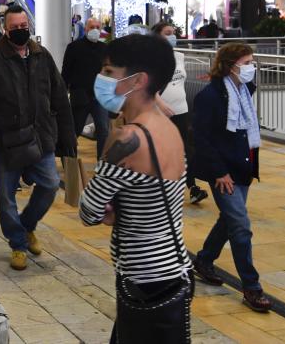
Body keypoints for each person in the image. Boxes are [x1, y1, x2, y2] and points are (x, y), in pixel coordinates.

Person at [79, 34, 193, 343]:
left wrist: (108, 206)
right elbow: (153, 195)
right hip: (175, 267)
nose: (100, 79)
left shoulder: (127, 139)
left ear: (137, 80)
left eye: (108, 71)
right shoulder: (169, 126)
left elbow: (88, 211)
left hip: (144, 279)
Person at [0, 5, 76, 270]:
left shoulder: (42, 56)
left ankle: (27, 225)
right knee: (6, 198)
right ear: (5, 30)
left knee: (51, 184)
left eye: (23, 26)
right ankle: (18, 243)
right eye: (14, 27)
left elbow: (59, 97)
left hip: (40, 136)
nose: (20, 31)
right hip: (4, 141)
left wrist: (67, 138)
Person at [191, 43, 271, 313]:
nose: (252, 67)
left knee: (229, 220)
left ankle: (204, 259)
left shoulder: (243, 89)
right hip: (223, 172)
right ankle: (251, 286)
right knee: (241, 226)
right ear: (231, 64)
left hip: (242, 167)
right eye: (247, 62)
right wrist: (218, 172)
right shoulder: (210, 96)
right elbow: (200, 138)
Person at [152, 22, 209, 205]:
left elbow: (180, 82)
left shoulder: (180, 56)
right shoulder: (150, 58)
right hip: (160, 112)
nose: (172, 36)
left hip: (181, 110)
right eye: (167, 33)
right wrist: (160, 104)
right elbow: (147, 86)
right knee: (162, 151)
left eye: (173, 33)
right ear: (158, 36)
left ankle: (191, 187)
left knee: (185, 151)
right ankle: (161, 188)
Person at [62, 17, 110, 159]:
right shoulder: (73, 47)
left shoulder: (105, 49)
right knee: (74, 131)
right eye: (91, 27)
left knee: (104, 131)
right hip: (80, 96)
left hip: (99, 96)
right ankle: (70, 162)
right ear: (85, 29)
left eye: (97, 27)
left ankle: (102, 164)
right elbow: (66, 72)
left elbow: (109, 72)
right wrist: (62, 94)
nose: (94, 30)